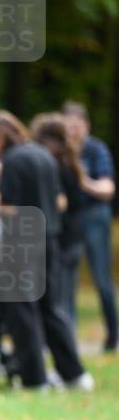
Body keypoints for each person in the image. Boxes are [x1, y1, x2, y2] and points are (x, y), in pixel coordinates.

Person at [0, 110, 92, 391]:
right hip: (49, 238)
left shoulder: (12, 160)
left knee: (21, 309)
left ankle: (34, 378)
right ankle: (75, 374)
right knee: (50, 306)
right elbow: (59, 201)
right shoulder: (42, 154)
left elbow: (10, 207)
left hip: (20, 241)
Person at [62, 101, 117, 351]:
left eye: (77, 125)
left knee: (100, 277)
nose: (73, 131)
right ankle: (69, 336)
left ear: (86, 125)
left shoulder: (96, 150)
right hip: (69, 217)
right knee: (66, 279)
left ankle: (113, 334)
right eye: (68, 126)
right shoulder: (60, 152)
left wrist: (81, 179)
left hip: (94, 214)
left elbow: (107, 189)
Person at [30, 113, 86, 328]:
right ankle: (69, 341)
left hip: (61, 237)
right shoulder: (70, 159)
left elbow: (60, 201)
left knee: (57, 301)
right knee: (67, 299)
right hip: (74, 235)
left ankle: (64, 346)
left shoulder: (54, 163)